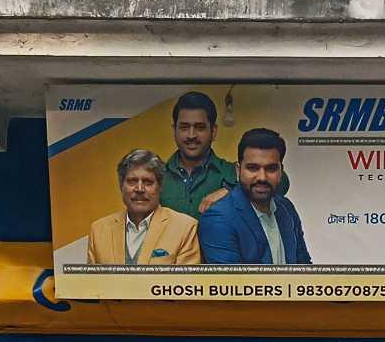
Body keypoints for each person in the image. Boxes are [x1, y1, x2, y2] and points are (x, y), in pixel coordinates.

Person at [157, 90, 288, 217]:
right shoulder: (158, 177)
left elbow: (282, 182)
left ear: (213, 131)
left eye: (200, 127)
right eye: (184, 127)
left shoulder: (232, 172)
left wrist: (232, 191)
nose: (191, 135)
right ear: (174, 130)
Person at [198, 128, 312, 265]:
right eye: (252, 168)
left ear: (281, 171)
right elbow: (232, 279)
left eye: (271, 168)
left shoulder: (286, 207)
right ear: (239, 170)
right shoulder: (218, 219)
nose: (262, 177)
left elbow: (305, 267)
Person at [86, 149, 202, 266]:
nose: (140, 189)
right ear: (121, 186)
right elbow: (90, 278)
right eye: (132, 181)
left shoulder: (184, 228)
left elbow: (185, 278)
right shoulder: (99, 230)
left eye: (148, 182)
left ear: (160, 187)